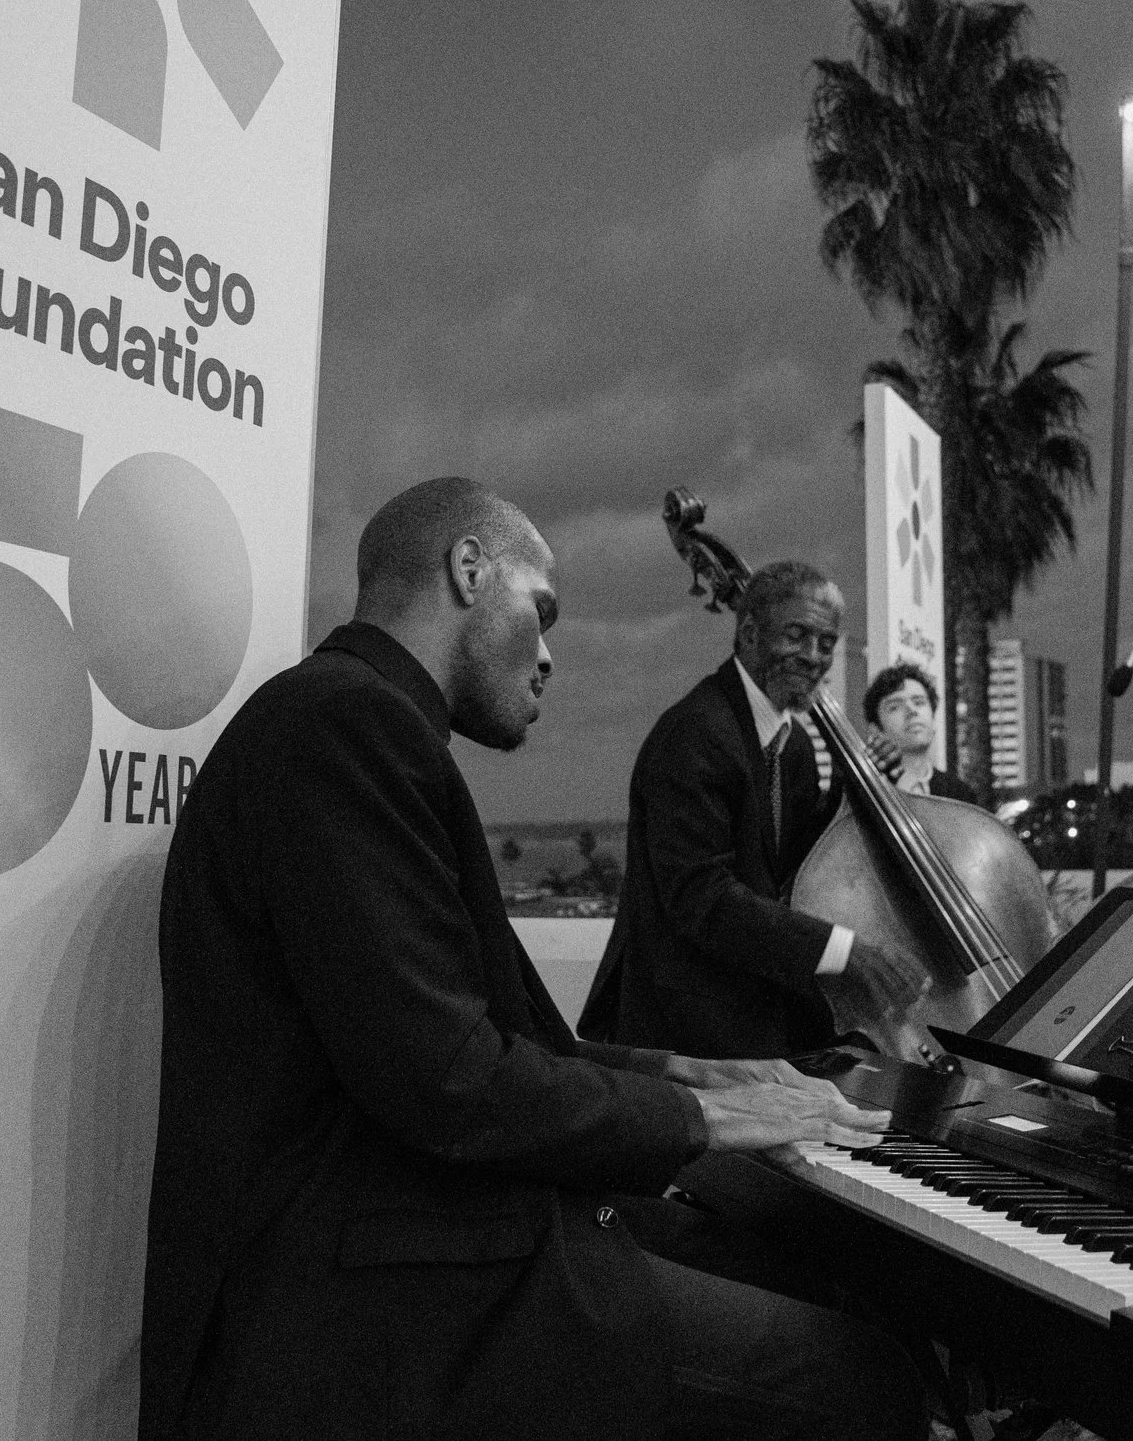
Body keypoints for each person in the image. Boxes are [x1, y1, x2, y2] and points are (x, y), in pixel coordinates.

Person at [140, 479, 925, 1441]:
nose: (550, 656)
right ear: (469, 569)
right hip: (368, 1281)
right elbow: (451, 1079)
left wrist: (687, 1067)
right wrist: (704, 1116)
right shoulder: (344, 727)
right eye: (540, 612)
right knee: (859, 1373)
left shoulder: (363, 724)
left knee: (803, 1270)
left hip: (420, 1223)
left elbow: (496, 1034)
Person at [580, 561, 926, 1059]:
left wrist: (858, 792)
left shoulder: (798, 747)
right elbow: (703, 899)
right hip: (686, 1035)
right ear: (748, 634)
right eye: (796, 635)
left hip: (759, 1022)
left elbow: (797, 871)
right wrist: (845, 952)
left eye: (826, 643)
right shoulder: (694, 735)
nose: (813, 656)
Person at [863, 661, 983, 805]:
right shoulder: (866, 792)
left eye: (919, 702)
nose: (911, 711)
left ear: (933, 717)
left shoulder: (960, 794)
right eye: (895, 707)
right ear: (876, 729)